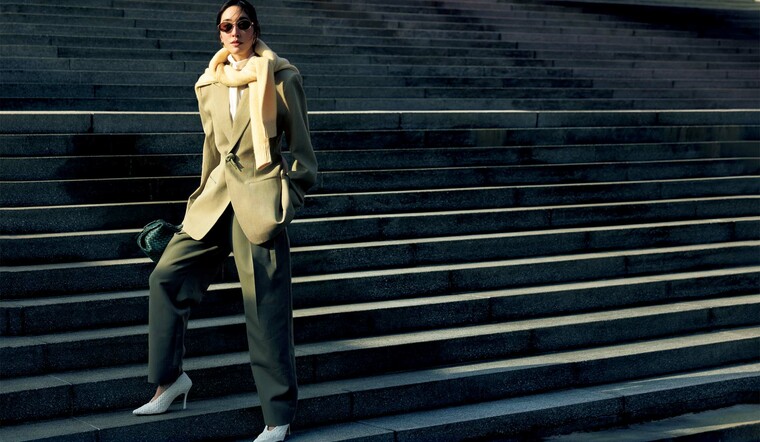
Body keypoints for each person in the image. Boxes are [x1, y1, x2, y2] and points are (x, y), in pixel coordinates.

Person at [132, 1, 317, 441]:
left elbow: (302, 152)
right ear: (219, 33)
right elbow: (212, 150)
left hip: (260, 202)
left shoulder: (282, 77)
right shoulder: (208, 82)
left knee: (265, 308)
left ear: (255, 29)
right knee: (165, 277)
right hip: (216, 200)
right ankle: (169, 381)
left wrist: (288, 197)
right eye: (226, 26)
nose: (235, 32)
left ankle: (278, 415)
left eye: (243, 24)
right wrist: (197, 201)